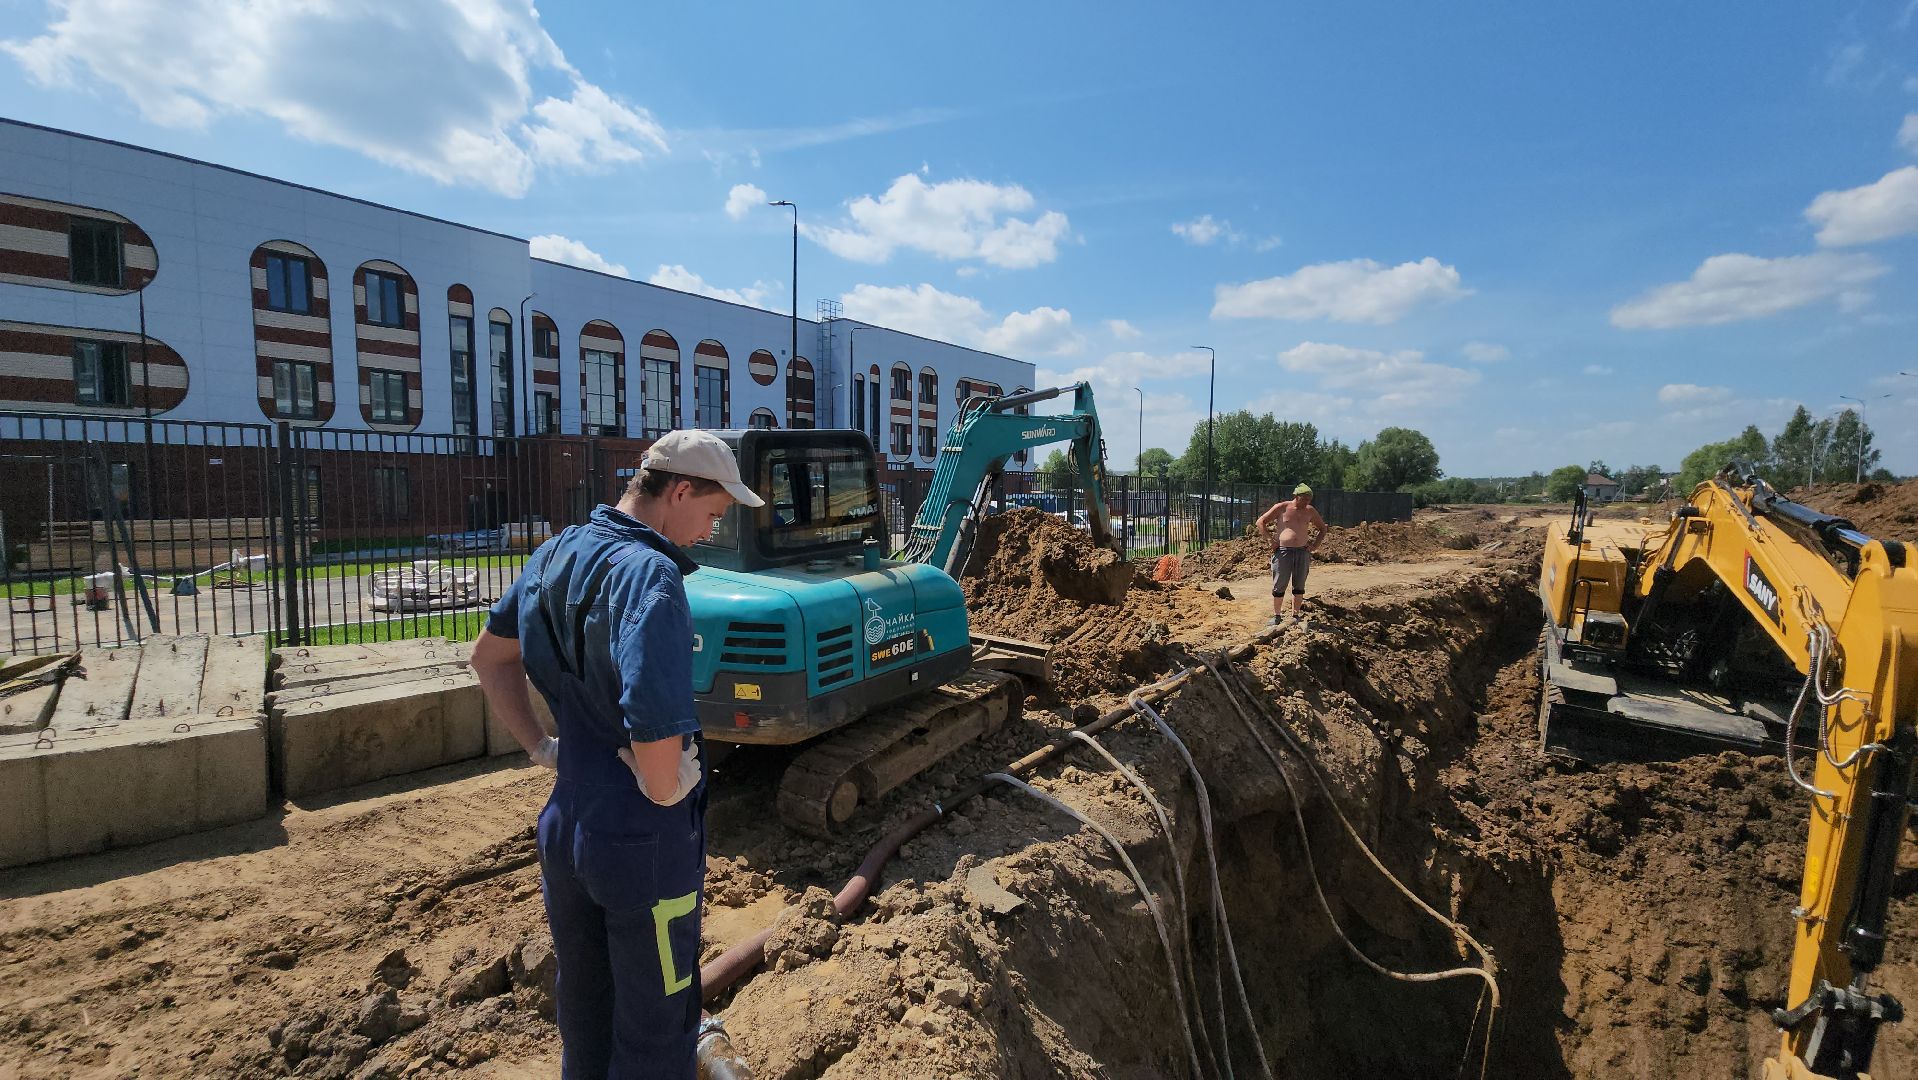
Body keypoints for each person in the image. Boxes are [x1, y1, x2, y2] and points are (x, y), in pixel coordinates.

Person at [470, 429, 763, 1079]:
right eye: (712, 514)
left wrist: (541, 746)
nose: (709, 532)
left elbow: (489, 658)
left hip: (567, 819)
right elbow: (657, 753)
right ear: (679, 490)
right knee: (655, 1031)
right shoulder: (651, 575)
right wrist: (667, 784)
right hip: (641, 837)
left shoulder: (554, 553)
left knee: (586, 1005)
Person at [1255, 483, 1325, 624]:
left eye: (1308, 500)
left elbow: (1323, 529)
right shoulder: (1282, 508)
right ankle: (1277, 616)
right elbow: (1260, 522)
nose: (1306, 502)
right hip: (1283, 552)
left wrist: (1314, 546)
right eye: (1303, 499)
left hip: (1302, 552)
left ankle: (1295, 615)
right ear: (1296, 496)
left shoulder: (1310, 511)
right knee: (1280, 584)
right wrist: (1270, 541)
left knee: (1299, 585)